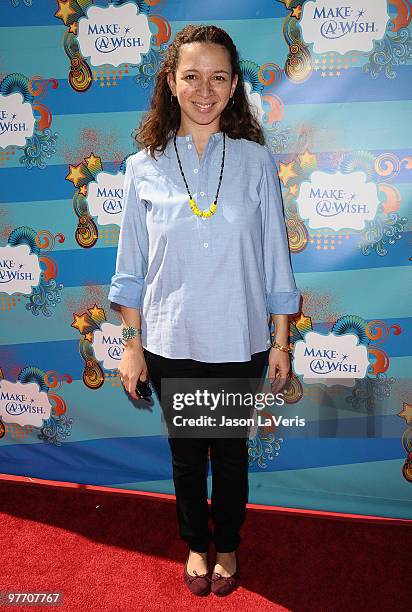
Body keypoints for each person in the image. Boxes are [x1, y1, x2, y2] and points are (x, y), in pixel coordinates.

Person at [108, 24, 301, 597]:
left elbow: (275, 259)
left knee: (232, 457)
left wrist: (282, 340)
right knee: (189, 460)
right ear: (171, 83)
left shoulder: (255, 160)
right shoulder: (142, 166)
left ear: (235, 84)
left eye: (219, 76)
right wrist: (132, 344)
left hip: (240, 337)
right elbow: (130, 268)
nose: (204, 89)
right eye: (191, 76)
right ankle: (196, 543)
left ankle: (232, 544)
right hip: (170, 340)